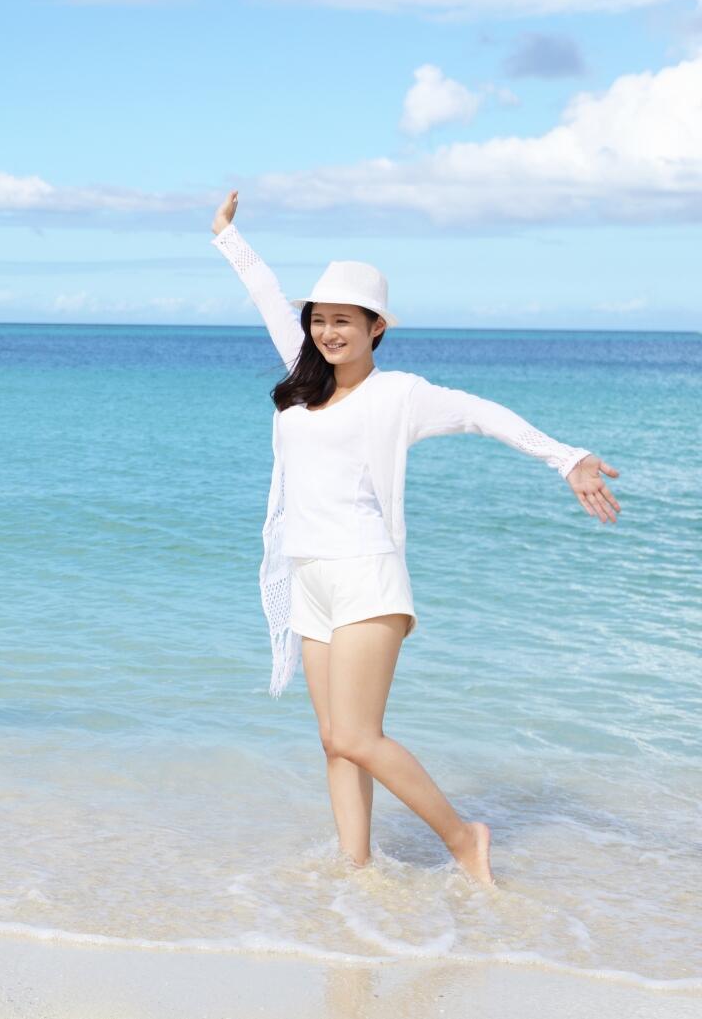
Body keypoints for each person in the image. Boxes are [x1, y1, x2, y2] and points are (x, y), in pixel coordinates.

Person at [209, 191, 619, 884]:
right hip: (308, 574)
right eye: (319, 320)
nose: (327, 332)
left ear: (375, 328)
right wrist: (228, 236)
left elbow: (483, 414)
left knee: (358, 734)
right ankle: (356, 868)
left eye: (343, 320)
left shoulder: (399, 394)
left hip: (365, 573)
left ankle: (465, 838)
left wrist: (566, 457)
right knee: (334, 741)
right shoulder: (304, 379)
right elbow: (266, 295)